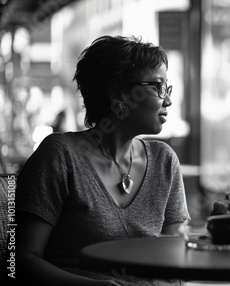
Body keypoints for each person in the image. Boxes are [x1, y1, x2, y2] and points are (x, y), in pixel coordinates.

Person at [17, 36, 190, 286]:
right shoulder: (60, 156)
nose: (168, 100)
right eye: (157, 86)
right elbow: (22, 259)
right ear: (117, 94)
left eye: (167, 87)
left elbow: (176, 261)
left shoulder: (164, 161)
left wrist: (223, 226)